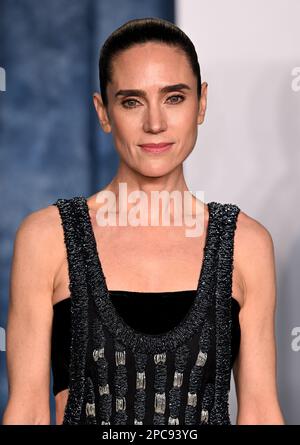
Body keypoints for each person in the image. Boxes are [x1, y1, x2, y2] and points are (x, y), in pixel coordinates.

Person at [2, 17, 284, 425]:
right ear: (103, 112)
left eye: (174, 98)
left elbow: (259, 411)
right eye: (132, 101)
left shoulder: (247, 243)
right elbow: (26, 411)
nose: (155, 123)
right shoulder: (47, 238)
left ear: (201, 103)